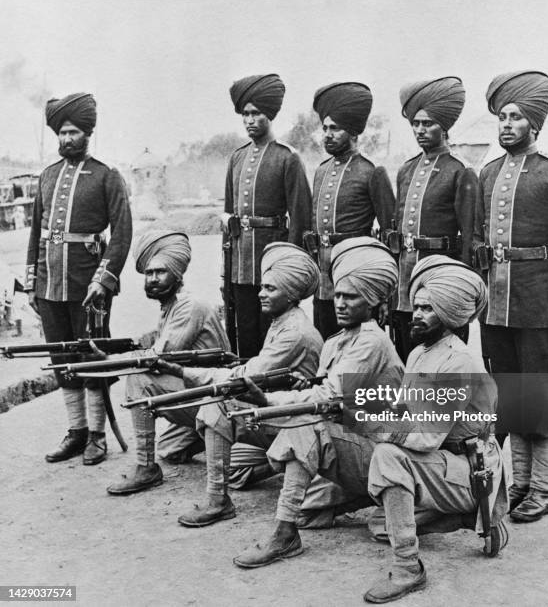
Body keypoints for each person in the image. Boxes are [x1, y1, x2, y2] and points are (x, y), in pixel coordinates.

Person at [233, 237, 404, 568]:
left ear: (372, 303)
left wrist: (267, 399)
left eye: (351, 297)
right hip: (350, 444)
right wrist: (304, 386)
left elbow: (329, 399)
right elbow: (327, 388)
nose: (340, 303)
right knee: (309, 510)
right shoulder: (338, 341)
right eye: (337, 295)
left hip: (382, 449)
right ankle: (357, 496)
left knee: (304, 426)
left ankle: (284, 536)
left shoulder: (372, 342)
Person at [474, 71, 548, 522]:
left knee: (539, 396)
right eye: (502, 117)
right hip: (496, 306)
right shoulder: (487, 173)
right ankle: (519, 484)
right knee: (509, 395)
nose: (506, 125)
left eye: (516, 117)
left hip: (539, 300)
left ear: (535, 125)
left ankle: (541, 489)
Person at [361, 255, 508, 603]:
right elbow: (406, 411)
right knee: (380, 526)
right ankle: (461, 517)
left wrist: (375, 427)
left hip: (473, 472)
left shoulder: (458, 362)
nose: (417, 314)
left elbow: (425, 436)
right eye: (417, 306)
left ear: (450, 314)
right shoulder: (419, 354)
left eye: (428, 308)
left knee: (387, 457)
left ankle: (408, 567)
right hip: (446, 463)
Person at [157, 242, 323, 526]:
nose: (260, 293)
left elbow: (242, 381)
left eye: (270, 289)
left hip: (294, 420)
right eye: (263, 287)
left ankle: (218, 501)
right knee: (227, 469)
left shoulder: (294, 332)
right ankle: (278, 461)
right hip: (277, 413)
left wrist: (184, 371)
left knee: (217, 407)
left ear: (292, 294)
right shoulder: (283, 321)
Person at [24, 92, 132, 466]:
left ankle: (98, 436)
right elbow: (36, 231)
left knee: (92, 357)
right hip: (50, 283)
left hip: (89, 286)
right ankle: (77, 431)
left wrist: (104, 279)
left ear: (87, 133)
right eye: (61, 133)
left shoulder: (106, 175)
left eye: (73, 132)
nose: (66, 139)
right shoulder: (48, 176)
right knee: (61, 358)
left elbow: (121, 234)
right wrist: (32, 281)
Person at [106, 231, 230, 495]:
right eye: (148, 273)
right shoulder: (171, 304)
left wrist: (109, 361)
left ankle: (146, 469)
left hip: (218, 397)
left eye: (160, 272)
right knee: (169, 449)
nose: (152, 280)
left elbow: (159, 358)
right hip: (204, 392)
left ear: (177, 273)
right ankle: (212, 436)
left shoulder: (189, 305)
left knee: (139, 379)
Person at [389, 76, 478, 363]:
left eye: (428, 124)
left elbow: (469, 239)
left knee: (443, 362)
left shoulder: (460, 171)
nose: (420, 130)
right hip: (406, 287)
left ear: (445, 126)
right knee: (406, 357)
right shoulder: (406, 170)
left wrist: (458, 296)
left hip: (441, 286)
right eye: (416, 124)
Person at [223, 74, 312, 357]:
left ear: (269, 115)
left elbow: (300, 219)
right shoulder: (236, 158)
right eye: (246, 114)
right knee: (243, 336)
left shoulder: (287, 158)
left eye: (256, 113)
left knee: (273, 340)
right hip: (240, 266)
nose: (250, 120)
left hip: (272, 266)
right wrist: (226, 270)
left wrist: (288, 274)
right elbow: (228, 219)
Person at [307, 82, 395, 340]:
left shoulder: (371, 172)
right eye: (324, 128)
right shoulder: (321, 171)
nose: (327, 134)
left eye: (335, 128)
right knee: (326, 344)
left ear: (354, 132)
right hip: (323, 281)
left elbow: (390, 233)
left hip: (357, 279)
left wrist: (383, 295)